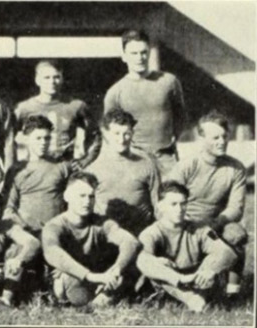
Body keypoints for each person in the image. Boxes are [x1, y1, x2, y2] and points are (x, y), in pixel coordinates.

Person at [165, 111, 248, 298]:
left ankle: (232, 292)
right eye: (215, 137)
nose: (221, 141)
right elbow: (168, 199)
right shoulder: (187, 166)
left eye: (225, 136)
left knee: (237, 234)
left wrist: (216, 224)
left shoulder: (236, 168)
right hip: (186, 224)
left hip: (216, 224)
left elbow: (237, 208)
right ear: (202, 138)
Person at [42, 172, 141, 307]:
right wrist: (92, 277)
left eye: (91, 196)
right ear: (67, 196)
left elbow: (130, 241)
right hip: (77, 277)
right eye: (81, 196)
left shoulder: (101, 222)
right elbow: (52, 251)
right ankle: (86, 304)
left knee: (125, 273)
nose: (87, 201)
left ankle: (93, 305)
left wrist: (116, 269)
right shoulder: (55, 225)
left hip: (99, 277)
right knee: (63, 279)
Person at [136, 182, 238, 312]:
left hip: (197, 281)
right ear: (160, 206)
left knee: (216, 258)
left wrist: (210, 271)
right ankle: (191, 299)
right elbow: (142, 261)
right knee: (151, 263)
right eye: (173, 204)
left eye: (183, 203)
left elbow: (227, 252)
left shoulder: (200, 229)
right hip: (169, 287)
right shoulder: (151, 233)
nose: (179, 209)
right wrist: (179, 278)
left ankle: (199, 299)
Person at [104, 29, 186, 174]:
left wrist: (171, 141)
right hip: (134, 159)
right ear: (124, 57)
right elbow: (109, 129)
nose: (139, 58)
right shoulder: (115, 92)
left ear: (149, 53)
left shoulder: (169, 82)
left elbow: (180, 115)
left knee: (174, 195)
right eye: (134, 53)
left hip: (166, 158)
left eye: (143, 52)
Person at [83, 109, 160, 236]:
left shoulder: (147, 164)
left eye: (126, 134)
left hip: (141, 232)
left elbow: (157, 204)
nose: (121, 139)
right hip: (108, 236)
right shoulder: (93, 170)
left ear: (133, 133)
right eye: (116, 133)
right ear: (106, 134)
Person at [14, 59, 99, 166]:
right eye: (46, 78)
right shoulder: (24, 108)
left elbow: (95, 136)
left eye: (56, 77)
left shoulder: (75, 106)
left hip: (64, 167)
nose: (52, 82)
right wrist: (16, 164)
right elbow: (6, 139)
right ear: (37, 80)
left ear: (62, 79)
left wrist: (84, 161)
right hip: (35, 168)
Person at [3, 115, 74, 234]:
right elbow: (8, 209)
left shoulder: (62, 166)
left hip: (56, 232)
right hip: (26, 232)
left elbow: (72, 203)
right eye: (38, 138)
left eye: (47, 138)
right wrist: (24, 227)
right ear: (27, 138)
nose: (43, 143)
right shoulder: (17, 170)